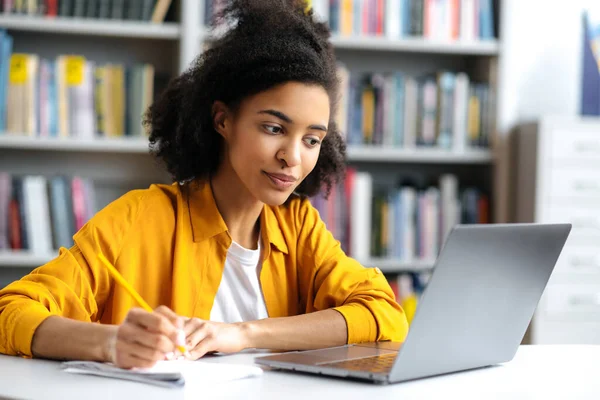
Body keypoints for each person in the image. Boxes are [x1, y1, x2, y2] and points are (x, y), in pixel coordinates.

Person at [0, 0, 408, 369]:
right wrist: (110, 342)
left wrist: (243, 333)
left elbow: (384, 314)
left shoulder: (298, 227)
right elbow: (11, 311)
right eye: (273, 128)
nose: (293, 156)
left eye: (312, 139)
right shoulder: (140, 219)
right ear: (222, 120)